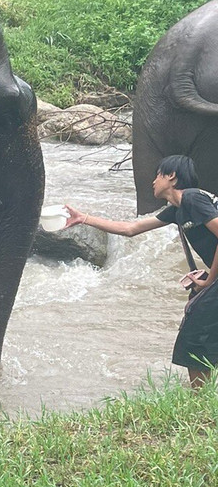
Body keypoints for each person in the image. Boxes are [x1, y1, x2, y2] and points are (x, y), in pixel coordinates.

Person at [66, 155, 218, 388]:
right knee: (199, 333)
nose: (153, 181)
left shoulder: (192, 198)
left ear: (172, 176)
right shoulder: (178, 209)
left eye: (158, 174)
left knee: (194, 336)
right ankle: (203, 395)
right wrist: (84, 218)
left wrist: (209, 281)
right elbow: (131, 228)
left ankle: (200, 396)